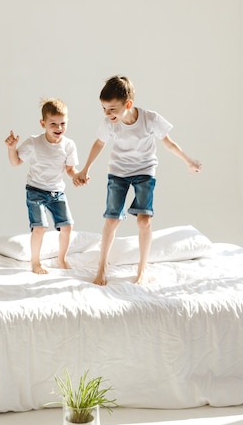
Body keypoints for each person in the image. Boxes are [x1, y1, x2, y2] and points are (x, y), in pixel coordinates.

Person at [73, 75, 202, 285]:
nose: (107, 114)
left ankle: (143, 269)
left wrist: (188, 161)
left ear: (128, 104)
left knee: (144, 221)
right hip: (118, 171)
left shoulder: (150, 119)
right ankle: (101, 268)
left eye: (112, 109)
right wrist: (85, 169)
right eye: (104, 109)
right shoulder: (110, 124)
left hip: (145, 170)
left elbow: (169, 143)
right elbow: (98, 144)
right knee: (112, 220)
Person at [5, 98, 79, 275]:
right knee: (40, 227)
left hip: (57, 192)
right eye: (53, 124)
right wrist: (11, 148)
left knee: (67, 226)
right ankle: (35, 262)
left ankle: (62, 259)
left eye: (62, 123)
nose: (58, 128)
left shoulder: (69, 145)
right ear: (43, 123)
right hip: (35, 191)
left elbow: (70, 169)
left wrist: (77, 176)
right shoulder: (34, 142)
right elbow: (15, 162)